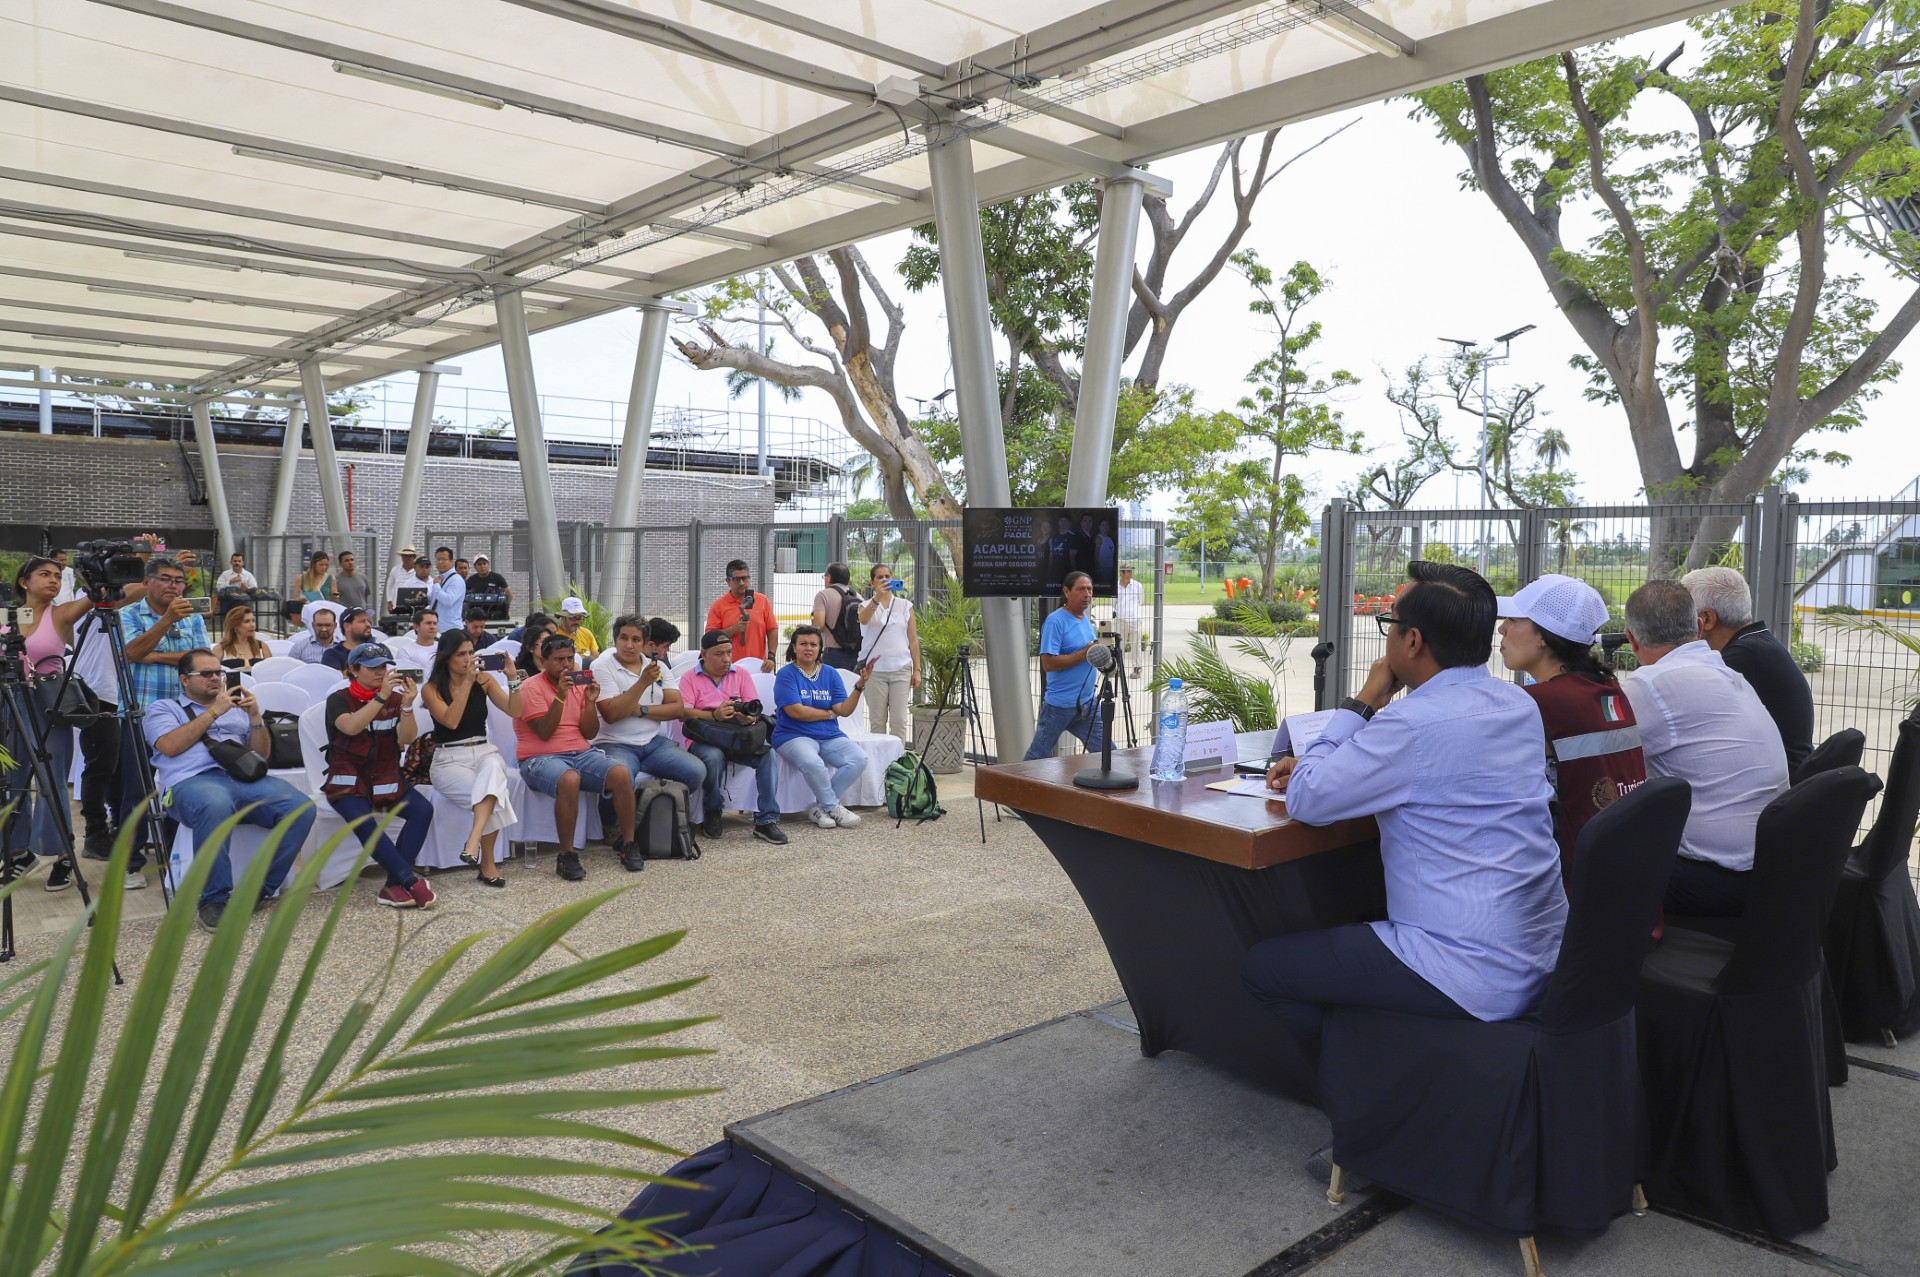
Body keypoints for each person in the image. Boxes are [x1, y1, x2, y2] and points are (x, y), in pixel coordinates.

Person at [1245, 562, 1567, 1185]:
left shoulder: (1408, 723)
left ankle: (1376, 1102)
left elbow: (1310, 800)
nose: (1388, 635)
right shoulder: (1517, 706)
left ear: (1412, 641)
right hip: (1544, 950)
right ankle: (1387, 1069)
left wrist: (1364, 699)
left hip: (1465, 966)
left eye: (1390, 623)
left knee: (1266, 971)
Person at [1619, 579, 1788, 917]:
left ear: (1631, 638)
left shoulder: (1649, 685)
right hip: (1772, 868)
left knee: (1587, 855)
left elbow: (1592, 759)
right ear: (1697, 627)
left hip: (1717, 877)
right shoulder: (1727, 674)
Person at [146, 649, 315, 932]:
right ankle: (213, 899)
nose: (216, 678)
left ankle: (258, 890)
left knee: (300, 808)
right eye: (207, 674)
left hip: (242, 780)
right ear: (185, 680)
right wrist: (214, 712)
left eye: (219, 673)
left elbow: (260, 757)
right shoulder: (164, 709)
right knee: (215, 803)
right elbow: (169, 746)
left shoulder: (235, 710)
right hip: (191, 782)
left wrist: (255, 718)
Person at [1495, 575, 1646, 869]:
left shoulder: (1538, 703)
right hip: (1624, 871)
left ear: (1543, 636)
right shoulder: (1608, 688)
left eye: (1513, 620)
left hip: (1570, 881)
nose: (1501, 627)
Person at [591, 615, 739, 837]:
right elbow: (612, 714)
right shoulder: (602, 667)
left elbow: (677, 709)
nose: (629, 645)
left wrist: (638, 710)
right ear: (615, 640)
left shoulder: (657, 667)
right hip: (614, 743)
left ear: (645, 644)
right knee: (619, 776)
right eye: (623, 638)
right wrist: (642, 683)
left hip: (652, 742)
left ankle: (655, 814)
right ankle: (611, 823)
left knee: (696, 771)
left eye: (635, 639)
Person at [3, 555, 96, 889]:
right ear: (24, 582)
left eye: (57, 575)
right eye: (44, 574)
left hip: (46, 703)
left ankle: (59, 855)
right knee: (8, 777)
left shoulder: (60, 613)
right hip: (9, 701)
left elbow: (106, 596)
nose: (54, 580)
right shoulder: (9, 614)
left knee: (50, 779)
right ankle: (17, 852)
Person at [515, 634, 641, 879]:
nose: (566, 665)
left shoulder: (579, 685)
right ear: (543, 661)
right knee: (569, 779)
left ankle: (628, 844)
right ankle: (567, 855)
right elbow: (544, 732)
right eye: (559, 659)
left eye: (570, 659)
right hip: (539, 758)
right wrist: (560, 696)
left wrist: (591, 702)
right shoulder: (530, 687)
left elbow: (590, 732)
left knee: (621, 774)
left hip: (580, 752)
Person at [321, 643, 436, 909]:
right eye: (373, 667)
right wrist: (381, 698)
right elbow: (351, 727)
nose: (380, 672)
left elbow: (406, 739)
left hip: (385, 778)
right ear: (353, 669)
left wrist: (407, 707)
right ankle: (409, 881)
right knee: (365, 822)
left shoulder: (394, 699)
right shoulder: (338, 699)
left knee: (422, 810)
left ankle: (392, 886)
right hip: (346, 781)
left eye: (384, 666)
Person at [1681, 566, 1814, 774]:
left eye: (1684, 615)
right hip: (1781, 777)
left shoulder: (1742, 657)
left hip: (1771, 786)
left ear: (1707, 619)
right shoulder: (1755, 644)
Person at [423, 630, 520, 888]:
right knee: (493, 794)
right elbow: (451, 721)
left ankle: (472, 841)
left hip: (483, 750)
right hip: (449, 759)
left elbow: (515, 710)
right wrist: (467, 682)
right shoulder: (431, 689)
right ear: (446, 658)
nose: (468, 659)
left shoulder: (485, 680)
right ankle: (487, 863)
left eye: (470, 653)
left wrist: (512, 679)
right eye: (461, 654)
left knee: (492, 770)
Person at [677, 629, 784, 840]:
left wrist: (748, 718)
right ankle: (713, 811)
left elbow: (754, 706)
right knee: (714, 756)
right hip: (704, 737)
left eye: (729, 652)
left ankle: (766, 820)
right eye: (719, 654)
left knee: (767, 755)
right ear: (704, 654)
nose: (726, 659)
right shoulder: (689, 677)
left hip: (737, 737)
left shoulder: (741, 673)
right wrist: (714, 715)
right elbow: (683, 713)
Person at [774, 626, 873, 829]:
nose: (808, 648)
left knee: (858, 759)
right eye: (803, 644)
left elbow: (843, 710)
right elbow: (796, 712)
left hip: (829, 735)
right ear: (794, 647)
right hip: (793, 735)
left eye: (813, 644)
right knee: (813, 762)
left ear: (820, 648)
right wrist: (828, 714)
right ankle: (832, 806)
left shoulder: (829, 673)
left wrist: (859, 686)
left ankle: (821, 808)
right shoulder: (786, 674)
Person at [1023, 571, 1105, 760]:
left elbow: (1089, 653)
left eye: (1090, 589)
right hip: (1060, 706)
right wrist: (1082, 654)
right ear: (1067, 592)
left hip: (1087, 703)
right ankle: (1018, 788)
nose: (1087, 594)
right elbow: (1048, 663)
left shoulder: (1084, 618)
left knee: (1107, 751)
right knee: (1037, 756)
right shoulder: (1055, 621)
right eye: (1081, 589)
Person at [120, 556, 211, 712]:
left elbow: (204, 659)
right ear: (146, 582)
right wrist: (168, 619)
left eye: (179, 581)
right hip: (142, 709)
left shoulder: (193, 616)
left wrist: (154, 656)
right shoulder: (128, 614)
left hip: (186, 709)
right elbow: (131, 653)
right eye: (165, 579)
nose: (173, 586)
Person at [856, 563, 920, 743]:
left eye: (888, 577)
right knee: (877, 721)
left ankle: (897, 763)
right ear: (872, 582)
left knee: (899, 721)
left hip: (901, 668)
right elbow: (864, 619)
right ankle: (880, 764)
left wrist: (917, 669)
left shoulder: (905, 606)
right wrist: (877, 598)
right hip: (874, 672)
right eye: (880, 577)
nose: (884, 580)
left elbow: (913, 640)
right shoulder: (865, 605)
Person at [704, 560, 776, 672]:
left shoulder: (762, 600)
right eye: (737, 579)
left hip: (759, 667)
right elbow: (710, 638)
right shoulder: (718, 606)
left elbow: (772, 629)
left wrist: (771, 657)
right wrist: (734, 629)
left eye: (745, 578)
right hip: (729, 668)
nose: (742, 583)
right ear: (728, 581)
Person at [810, 562, 862, 672]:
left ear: (829, 578)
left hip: (833, 654)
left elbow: (818, 625)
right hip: (856, 653)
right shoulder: (858, 596)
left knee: (831, 688)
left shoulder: (823, 595)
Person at [216, 604, 272, 669]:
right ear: (234, 625)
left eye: (253, 621)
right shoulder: (220, 649)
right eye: (246, 621)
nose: (252, 625)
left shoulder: (262, 647)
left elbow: (270, 672)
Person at [1114, 563, 1145, 678]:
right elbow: (1114, 603)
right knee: (1119, 645)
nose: (1130, 573)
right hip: (1120, 619)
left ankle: (1137, 669)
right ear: (1121, 573)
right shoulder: (1116, 586)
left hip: (1135, 619)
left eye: (1131, 571)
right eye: (1127, 571)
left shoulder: (1137, 585)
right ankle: (1117, 669)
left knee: (1135, 645)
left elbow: (1140, 600)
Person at [322, 607, 375, 671]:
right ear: (347, 627)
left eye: (368, 620)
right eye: (362, 621)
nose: (368, 624)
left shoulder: (380, 650)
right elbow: (337, 678)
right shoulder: (332, 654)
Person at [426, 546, 465, 629]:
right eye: (437, 559)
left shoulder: (456, 579)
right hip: (439, 628)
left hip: (450, 628)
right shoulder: (441, 578)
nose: (440, 562)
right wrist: (425, 597)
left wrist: (436, 586)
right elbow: (436, 600)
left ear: (451, 561)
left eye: (444, 559)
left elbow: (448, 601)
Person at [393, 610, 441, 677]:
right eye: (428, 623)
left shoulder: (444, 648)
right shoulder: (405, 651)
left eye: (435, 623)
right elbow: (405, 678)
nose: (432, 627)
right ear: (416, 627)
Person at [1046, 515, 1076, 589]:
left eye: (1065, 520)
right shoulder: (1054, 537)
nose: (1063, 523)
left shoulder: (1072, 537)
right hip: (1054, 574)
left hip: (1066, 574)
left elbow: (1073, 558)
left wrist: (1073, 573)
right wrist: (1049, 571)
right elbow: (1051, 556)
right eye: (1061, 520)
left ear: (1069, 523)